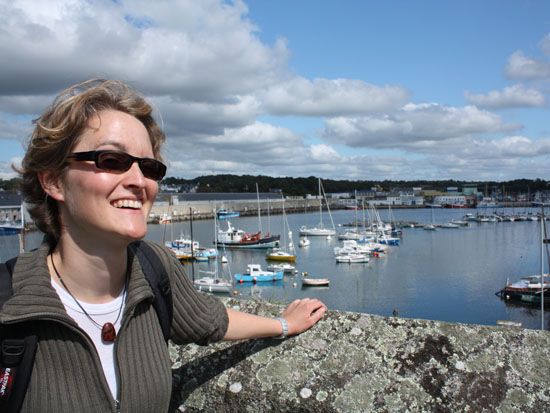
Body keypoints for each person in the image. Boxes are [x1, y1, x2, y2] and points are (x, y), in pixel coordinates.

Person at [2, 79, 327, 412]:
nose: (138, 180)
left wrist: (284, 324)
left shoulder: (155, 268)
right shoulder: (10, 305)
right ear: (53, 181)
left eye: (149, 167)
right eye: (111, 160)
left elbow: (210, 319)